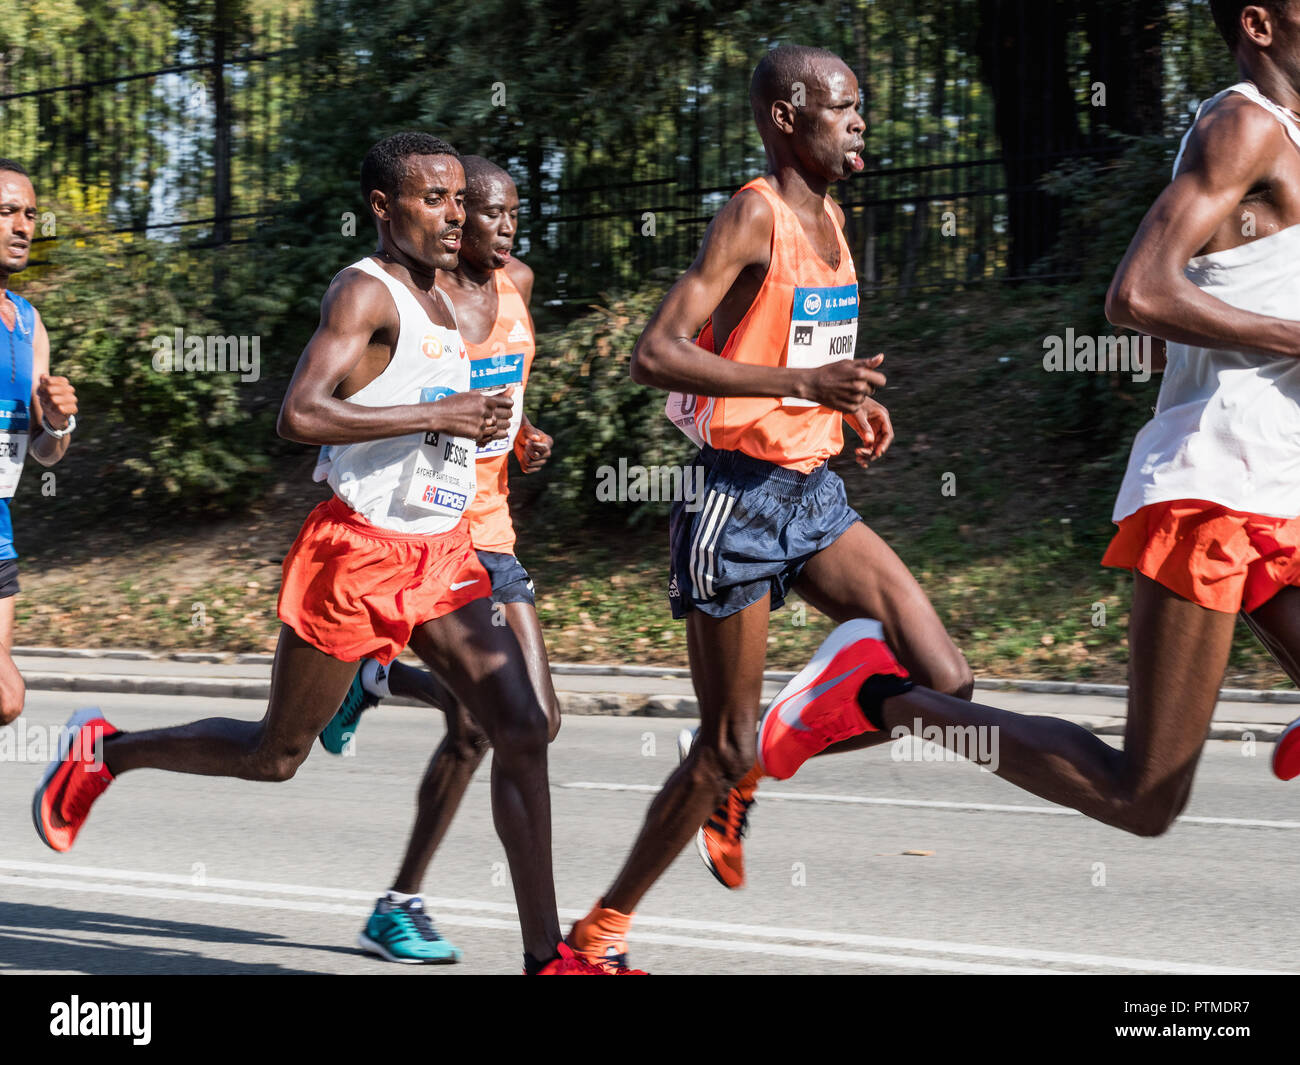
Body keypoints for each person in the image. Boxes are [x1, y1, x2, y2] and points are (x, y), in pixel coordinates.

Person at [749, 0, 1300, 875]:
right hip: (1219, 491)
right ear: (1262, 24)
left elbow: (1181, 322)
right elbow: (1138, 297)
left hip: (1278, 484)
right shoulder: (1242, 124)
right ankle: (879, 694)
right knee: (1143, 795)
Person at [32, 132, 601, 976]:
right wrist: (436, 420)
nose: (454, 215)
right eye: (434, 200)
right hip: (359, 553)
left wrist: (500, 432)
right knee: (276, 755)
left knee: (520, 725)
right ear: (383, 208)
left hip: (442, 551)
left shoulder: (443, 295)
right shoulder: (363, 292)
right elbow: (299, 414)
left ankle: (546, 956)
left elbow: (440, 398)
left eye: (458, 200)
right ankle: (108, 751)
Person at [566, 45, 974, 972]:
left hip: (814, 497)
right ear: (786, 117)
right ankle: (595, 937)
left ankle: (767, 755)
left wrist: (851, 402)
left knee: (943, 677)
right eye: (841, 107)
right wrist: (803, 382)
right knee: (718, 743)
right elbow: (657, 353)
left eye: (860, 106)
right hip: (734, 504)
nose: (859, 120)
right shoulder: (755, 213)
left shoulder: (831, 216)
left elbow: (807, 351)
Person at [318, 156, 562, 966]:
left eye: (506, 213)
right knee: (507, 723)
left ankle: (376, 681)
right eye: (482, 212)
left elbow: (501, 389)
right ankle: (433, 911)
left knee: (520, 723)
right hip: (445, 533)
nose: (499, 227)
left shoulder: (517, 285)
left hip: (492, 530)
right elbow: (376, 401)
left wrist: (520, 432)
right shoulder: (424, 301)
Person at [0, 158, 79, 727]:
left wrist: (54, 422)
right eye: (6, 212)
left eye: (29, 213)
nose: (23, 225)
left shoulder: (28, 323)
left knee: (6, 699)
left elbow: (44, 452)